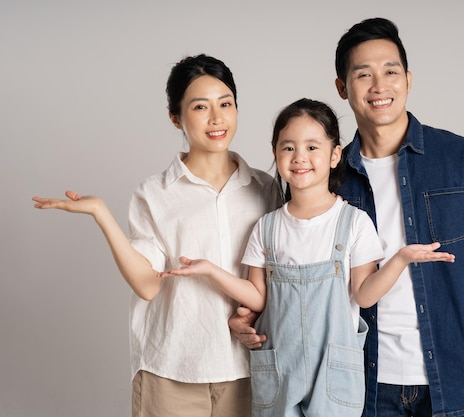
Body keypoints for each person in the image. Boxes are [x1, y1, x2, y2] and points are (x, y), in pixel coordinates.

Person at [230, 18, 464, 417]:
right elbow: (288, 277)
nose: (379, 86)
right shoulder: (324, 176)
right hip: (360, 384)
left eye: (390, 72)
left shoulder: (457, 157)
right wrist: (252, 319)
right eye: (364, 74)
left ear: (408, 80)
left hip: (453, 378)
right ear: (342, 88)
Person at [159, 98, 456, 417]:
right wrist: (211, 271)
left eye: (312, 147)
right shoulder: (267, 228)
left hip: (334, 375)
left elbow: (364, 295)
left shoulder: (353, 223)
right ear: (275, 153)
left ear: (334, 155)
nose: (300, 157)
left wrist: (399, 259)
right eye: (288, 148)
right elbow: (258, 298)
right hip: (279, 374)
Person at [32, 54, 281, 417]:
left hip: (249, 370)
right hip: (172, 371)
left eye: (226, 104)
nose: (217, 118)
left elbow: (277, 277)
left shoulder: (266, 188)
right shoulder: (154, 193)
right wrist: (102, 214)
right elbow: (148, 284)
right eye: (200, 107)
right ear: (175, 117)